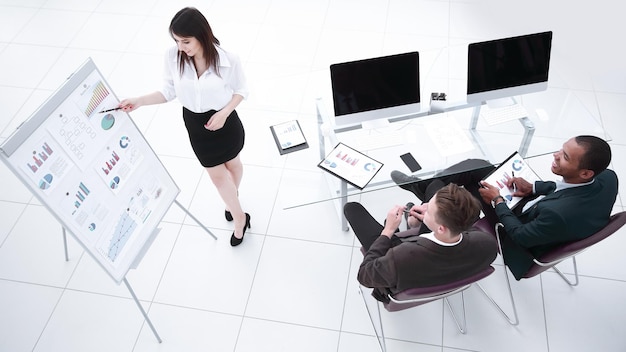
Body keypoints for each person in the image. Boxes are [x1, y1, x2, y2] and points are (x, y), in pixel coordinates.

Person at [391, 135, 618, 279]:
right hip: (535, 212)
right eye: (561, 149)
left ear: (586, 172)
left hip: (515, 234)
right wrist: (533, 187)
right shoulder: (606, 177)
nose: (556, 155)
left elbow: (520, 236)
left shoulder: (558, 215)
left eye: (565, 157)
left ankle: (425, 211)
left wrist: (497, 200)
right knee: (478, 167)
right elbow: (563, 187)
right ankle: (425, 194)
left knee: (452, 194)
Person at [118, 7, 251, 246]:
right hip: (197, 126)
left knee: (234, 165)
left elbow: (241, 91)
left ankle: (233, 199)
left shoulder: (228, 60)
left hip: (225, 121)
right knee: (219, 178)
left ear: (202, 35)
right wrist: (139, 101)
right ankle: (240, 217)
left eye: (186, 41)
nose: (181, 47)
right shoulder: (172, 56)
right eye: (178, 41)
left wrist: (224, 112)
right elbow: (168, 91)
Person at [344, 183, 497, 303]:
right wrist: (429, 217)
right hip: (438, 260)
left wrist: (388, 231)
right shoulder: (487, 243)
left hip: (407, 265)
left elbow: (364, 275)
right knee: (435, 186)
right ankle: (415, 223)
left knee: (351, 208)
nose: (423, 207)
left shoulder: (401, 257)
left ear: (441, 228)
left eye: (428, 210)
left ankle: (407, 227)